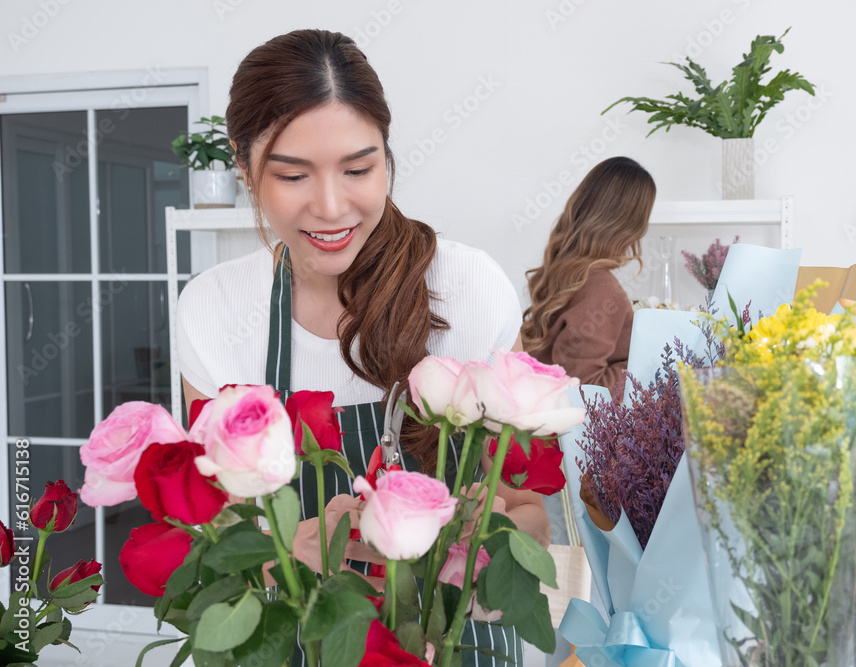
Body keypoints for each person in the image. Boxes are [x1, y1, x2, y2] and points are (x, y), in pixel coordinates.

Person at [177, 29, 547, 666]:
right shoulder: (213, 309)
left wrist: (451, 542)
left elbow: (533, 516)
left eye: (358, 169)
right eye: (293, 175)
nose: (330, 207)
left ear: (388, 156)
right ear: (244, 168)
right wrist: (289, 555)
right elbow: (217, 539)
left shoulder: (469, 288)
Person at [520, 156, 656, 394]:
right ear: (632, 225)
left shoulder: (571, 273)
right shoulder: (603, 289)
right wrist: (649, 366)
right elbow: (584, 389)